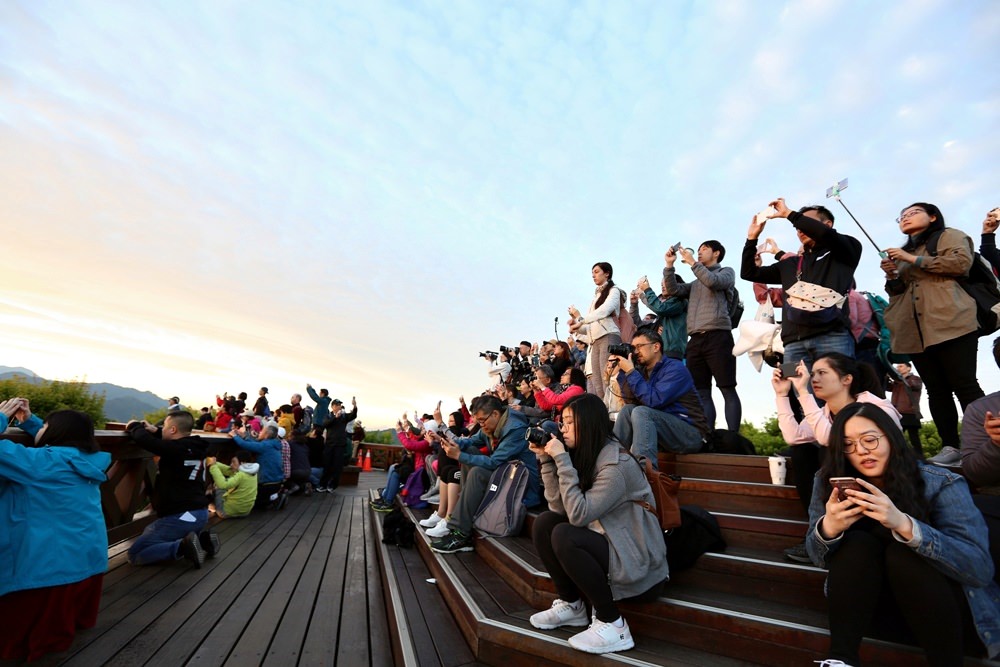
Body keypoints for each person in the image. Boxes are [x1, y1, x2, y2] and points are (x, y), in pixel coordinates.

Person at [806, 402, 1000, 665]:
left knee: (904, 551)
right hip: (873, 613)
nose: (861, 450)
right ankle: (840, 660)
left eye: (870, 440)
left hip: (948, 614)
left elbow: (979, 569)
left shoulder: (940, 481)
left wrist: (905, 525)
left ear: (892, 437)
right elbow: (817, 557)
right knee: (858, 543)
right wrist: (829, 529)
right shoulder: (829, 481)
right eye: (848, 444)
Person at [527, 393, 667, 655]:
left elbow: (578, 516)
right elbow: (559, 508)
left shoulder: (616, 465)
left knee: (565, 535)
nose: (563, 428)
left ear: (589, 423)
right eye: (562, 421)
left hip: (638, 566)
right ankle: (573, 606)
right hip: (612, 545)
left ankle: (613, 624)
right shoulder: (588, 456)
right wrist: (547, 460)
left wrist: (561, 459)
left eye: (569, 422)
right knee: (545, 523)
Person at [0, 400, 111, 662]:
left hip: (47, 569)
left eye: (46, 426)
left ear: (55, 434)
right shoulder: (88, 460)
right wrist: (29, 421)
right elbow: (58, 441)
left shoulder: (39, 462)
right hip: (87, 561)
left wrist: (3, 417)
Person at [773, 352, 901, 563]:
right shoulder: (823, 412)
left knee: (826, 450)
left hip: (887, 481)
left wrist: (804, 392)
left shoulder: (873, 406)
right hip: (844, 479)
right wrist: (782, 395)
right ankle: (819, 531)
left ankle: (833, 536)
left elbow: (828, 438)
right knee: (802, 452)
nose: (814, 379)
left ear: (846, 379)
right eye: (812, 374)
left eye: (822, 373)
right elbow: (794, 437)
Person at [882, 203, 986, 460]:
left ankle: (985, 442)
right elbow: (898, 291)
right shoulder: (904, 252)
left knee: (965, 384)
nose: (905, 217)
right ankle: (950, 447)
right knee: (936, 390)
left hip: (952, 320)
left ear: (932, 216)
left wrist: (912, 259)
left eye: (912, 213)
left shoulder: (949, 235)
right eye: (902, 216)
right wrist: (893, 276)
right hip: (914, 328)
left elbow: (960, 264)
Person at [741, 198, 863, 377]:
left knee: (839, 392)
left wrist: (789, 214)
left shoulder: (846, 250)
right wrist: (751, 239)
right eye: (798, 226)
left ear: (827, 225)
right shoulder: (791, 263)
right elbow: (748, 273)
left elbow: (827, 236)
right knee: (799, 395)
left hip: (832, 337)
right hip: (792, 345)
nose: (800, 229)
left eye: (805, 223)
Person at [427, 395, 541, 554]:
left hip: (521, 485)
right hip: (505, 475)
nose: (481, 425)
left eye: (482, 420)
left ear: (495, 414)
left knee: (478, 472)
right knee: (469, 452)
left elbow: (494, 462)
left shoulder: (515, 429)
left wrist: (458, 456)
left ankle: (461, 533)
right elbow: (470, 441)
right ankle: (466, 509)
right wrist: (451, 442)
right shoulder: (492, 425)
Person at [663, 240, 742, 432]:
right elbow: (674, 290)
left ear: (716, 253)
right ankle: (708, 436)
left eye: (704, 249)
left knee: (727, 388)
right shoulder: (696, 283)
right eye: (697, 251)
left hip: (718, 336)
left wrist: (692, 263)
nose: (699, 253)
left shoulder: (726, 272)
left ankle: (733, 437)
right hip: (696, 340)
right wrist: (669, 266)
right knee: (702, 391)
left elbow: (713, 282)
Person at [126, 411, 217, 567]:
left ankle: (182, 548)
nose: (162, 429)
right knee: (161, 534)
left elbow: (144, 440)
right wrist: (158, 431)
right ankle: (202, 541)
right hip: (200, 513)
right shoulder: (195, 447)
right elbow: (173, 444)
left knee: (134, 554)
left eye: (165, 427)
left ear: (173, 430)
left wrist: (134, 426)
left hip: (180, 516)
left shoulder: (175, 449)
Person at [610, 327, 709, 469]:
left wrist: (631, 372)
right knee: (628, 410)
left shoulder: (675, 369)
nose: (636, 352)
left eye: (639, 346)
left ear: (656, 346)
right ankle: (612, 466)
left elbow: (653, 401)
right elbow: (631, 402)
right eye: (633, 348)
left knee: (641, 412)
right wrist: (623, 372)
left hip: (691, 434)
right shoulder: (642, 371)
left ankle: (644, 474)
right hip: (664, 431)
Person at [568, 262, 626, 399]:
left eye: (596, 271)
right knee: (598, 384)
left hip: (608, 336)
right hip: (595, 341)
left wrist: (581, 320)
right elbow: (589, 328)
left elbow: (605, 310)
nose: (593, 275)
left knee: (608, 379)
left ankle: (612, 415)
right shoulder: (596, 297)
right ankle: (603, 414)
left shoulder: (614, 290)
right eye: (592, 273)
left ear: (607, 273)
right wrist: (576, 326)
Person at [231, 422, 286, 510]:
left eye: (262, 431)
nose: (259, 432)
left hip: (266, 483)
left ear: (266, 434)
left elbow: (245, 445)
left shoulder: (266, 445)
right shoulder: (273, 444)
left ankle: (273, 499)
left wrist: (234, 436)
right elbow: (256, 445)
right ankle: (275, 496)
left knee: (255, 503)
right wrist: (245, 436)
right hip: (277, 481)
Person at [633, 275, 688, 359]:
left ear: (676, 284)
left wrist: (647, 290)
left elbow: (660, 308)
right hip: (663, 351)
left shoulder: (680, 301)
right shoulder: (669, 305)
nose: (662, 286)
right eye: (661, 284)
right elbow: (656, 306)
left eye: (665, 283)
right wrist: (641, 295)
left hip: (672, 352)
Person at [317, 396, 358, 492]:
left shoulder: (344, 417)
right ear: (333, 407)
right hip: (329, 444)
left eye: (340, 405)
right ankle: (323, 485)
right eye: (337, 405)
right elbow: (325, 424)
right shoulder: (328, 416)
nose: (339, 407)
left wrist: (355, 405)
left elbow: (353, 415)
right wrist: (335, 417)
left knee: (337, 466)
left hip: (340, 445)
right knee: (327, 465)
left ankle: (332, 485)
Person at [208, 450, 259, 518]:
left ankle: (213, 507)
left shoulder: (240, 475)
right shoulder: (252, 472)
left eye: (233, 462)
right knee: (227, 485)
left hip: (225, 513)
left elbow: (223, 485)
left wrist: (213, 466)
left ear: (242, 463)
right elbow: (229, 470)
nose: (231, 464)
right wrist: (214, 462)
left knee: (218, 485)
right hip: (245, 512)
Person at [889, 362, 924, 457]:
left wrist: (899, 378)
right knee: (896, 437)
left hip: (910, 412)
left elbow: (913, 385)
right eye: (897, 367)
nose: (898, 368)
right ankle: (898, 458)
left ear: (909, 368)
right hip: (896, 412)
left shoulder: (915, 379)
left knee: (914, 438)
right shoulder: (897, 382)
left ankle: (920, 458)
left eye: (901, 366)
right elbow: (888, 387)